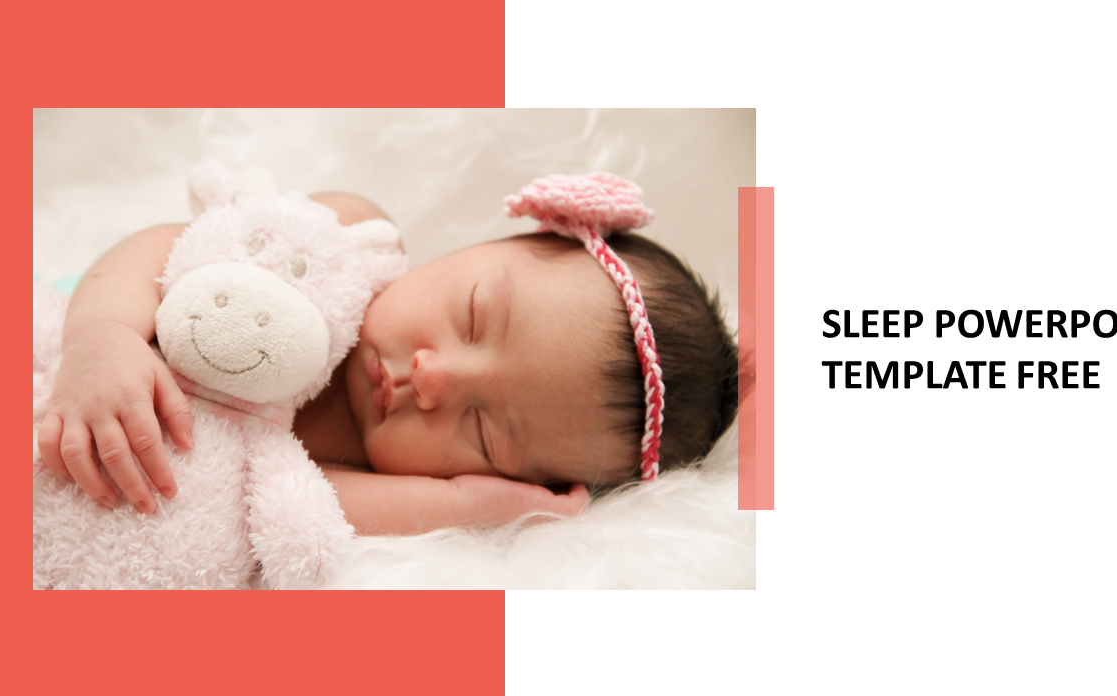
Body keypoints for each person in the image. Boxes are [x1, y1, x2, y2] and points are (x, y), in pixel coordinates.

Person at [36, 175, 738, 536]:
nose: (432, 379)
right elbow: (168, 246)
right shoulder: (350, 240)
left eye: (484, 431)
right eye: (473, 315)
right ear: (492, 242)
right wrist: (103, 337)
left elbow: (289, 506)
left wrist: (463, 506)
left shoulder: (366, 461)